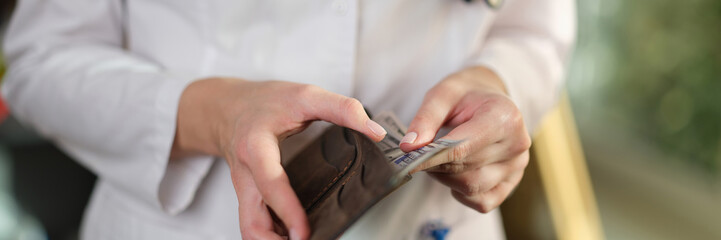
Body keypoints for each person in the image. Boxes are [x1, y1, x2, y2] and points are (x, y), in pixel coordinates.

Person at [2, 0, 575, 239]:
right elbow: (38, 60)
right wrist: (217, 114)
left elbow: (533, 31)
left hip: (426, 220)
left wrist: (497, 87)